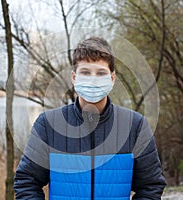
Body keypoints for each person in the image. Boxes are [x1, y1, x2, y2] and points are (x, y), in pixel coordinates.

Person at [13, 37, 166, 199]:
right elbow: (27, 181)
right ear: (74, 77)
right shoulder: (48, 124)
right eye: (85, 72)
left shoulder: (135, 126)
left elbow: (151, 185)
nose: (93, 79)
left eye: (101, 73)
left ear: (112, 79)